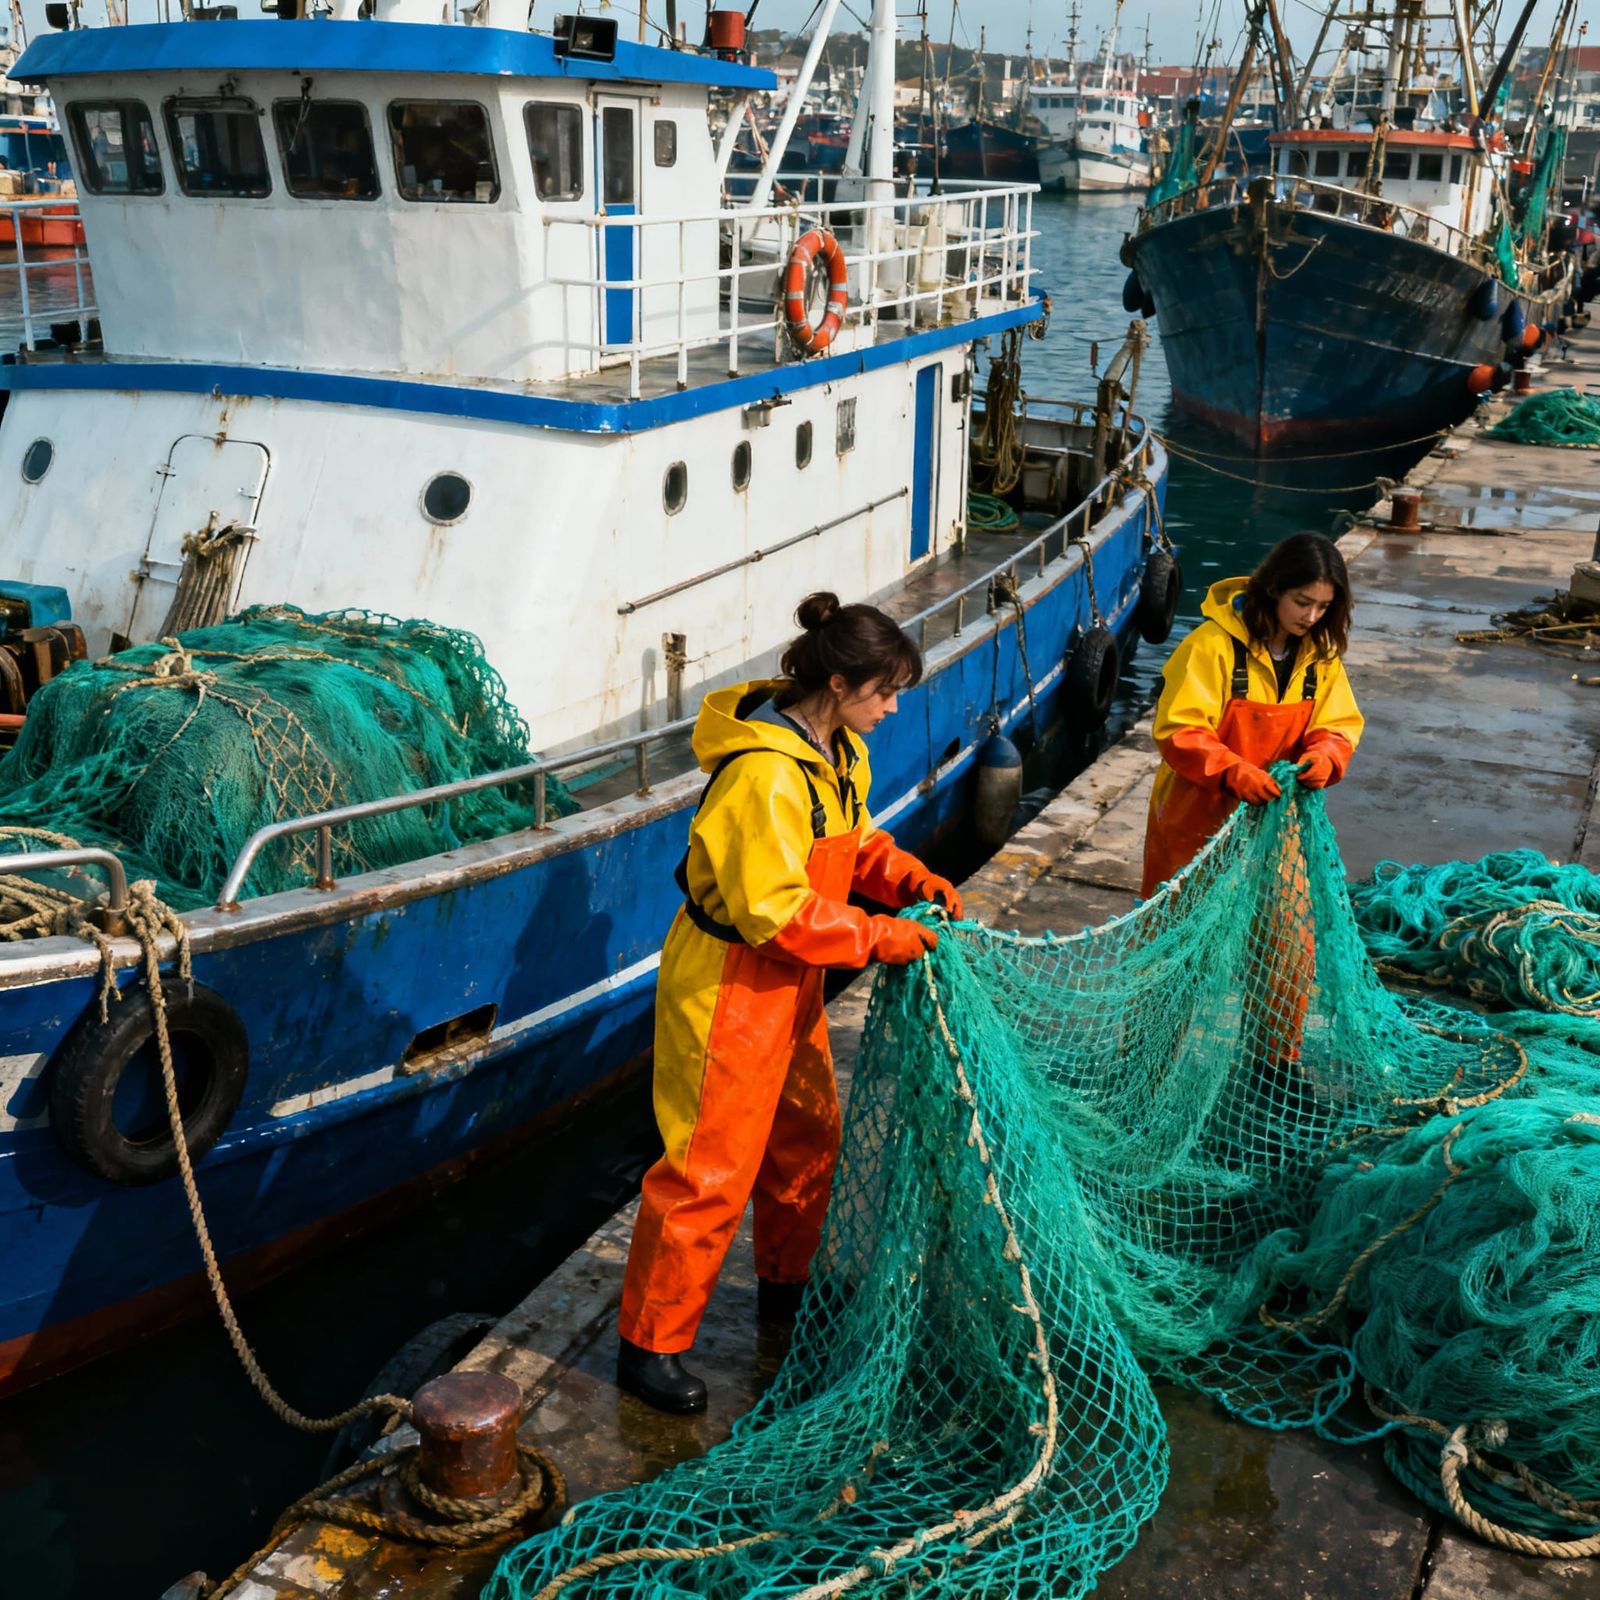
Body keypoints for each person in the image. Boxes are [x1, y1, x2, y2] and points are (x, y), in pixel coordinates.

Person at [617, 592, 964, 1414]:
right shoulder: (764, 775)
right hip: (732, 982)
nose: (892, 707)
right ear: (840, 685)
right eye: (884, 692)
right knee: (708, 1169)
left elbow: (851, 843)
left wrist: (902, 877)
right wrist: (877, 938)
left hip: (794, 981)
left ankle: (788, 1284)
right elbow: (770, 909)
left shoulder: (836, 753)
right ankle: (649, 1346)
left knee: (807, 1136)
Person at [1141, 532, 1364, 899]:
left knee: (1279, 935)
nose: (1311, 617)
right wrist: (1233, 772)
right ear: (1275, 588)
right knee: (1188, 931)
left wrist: (1326, 755)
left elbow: (1337, 724)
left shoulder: (1319, 656)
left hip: (1276, 821)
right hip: (1198, 820)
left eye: (1323, 607)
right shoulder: (1210, 646)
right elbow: (1179, 730)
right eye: (1302, 602)